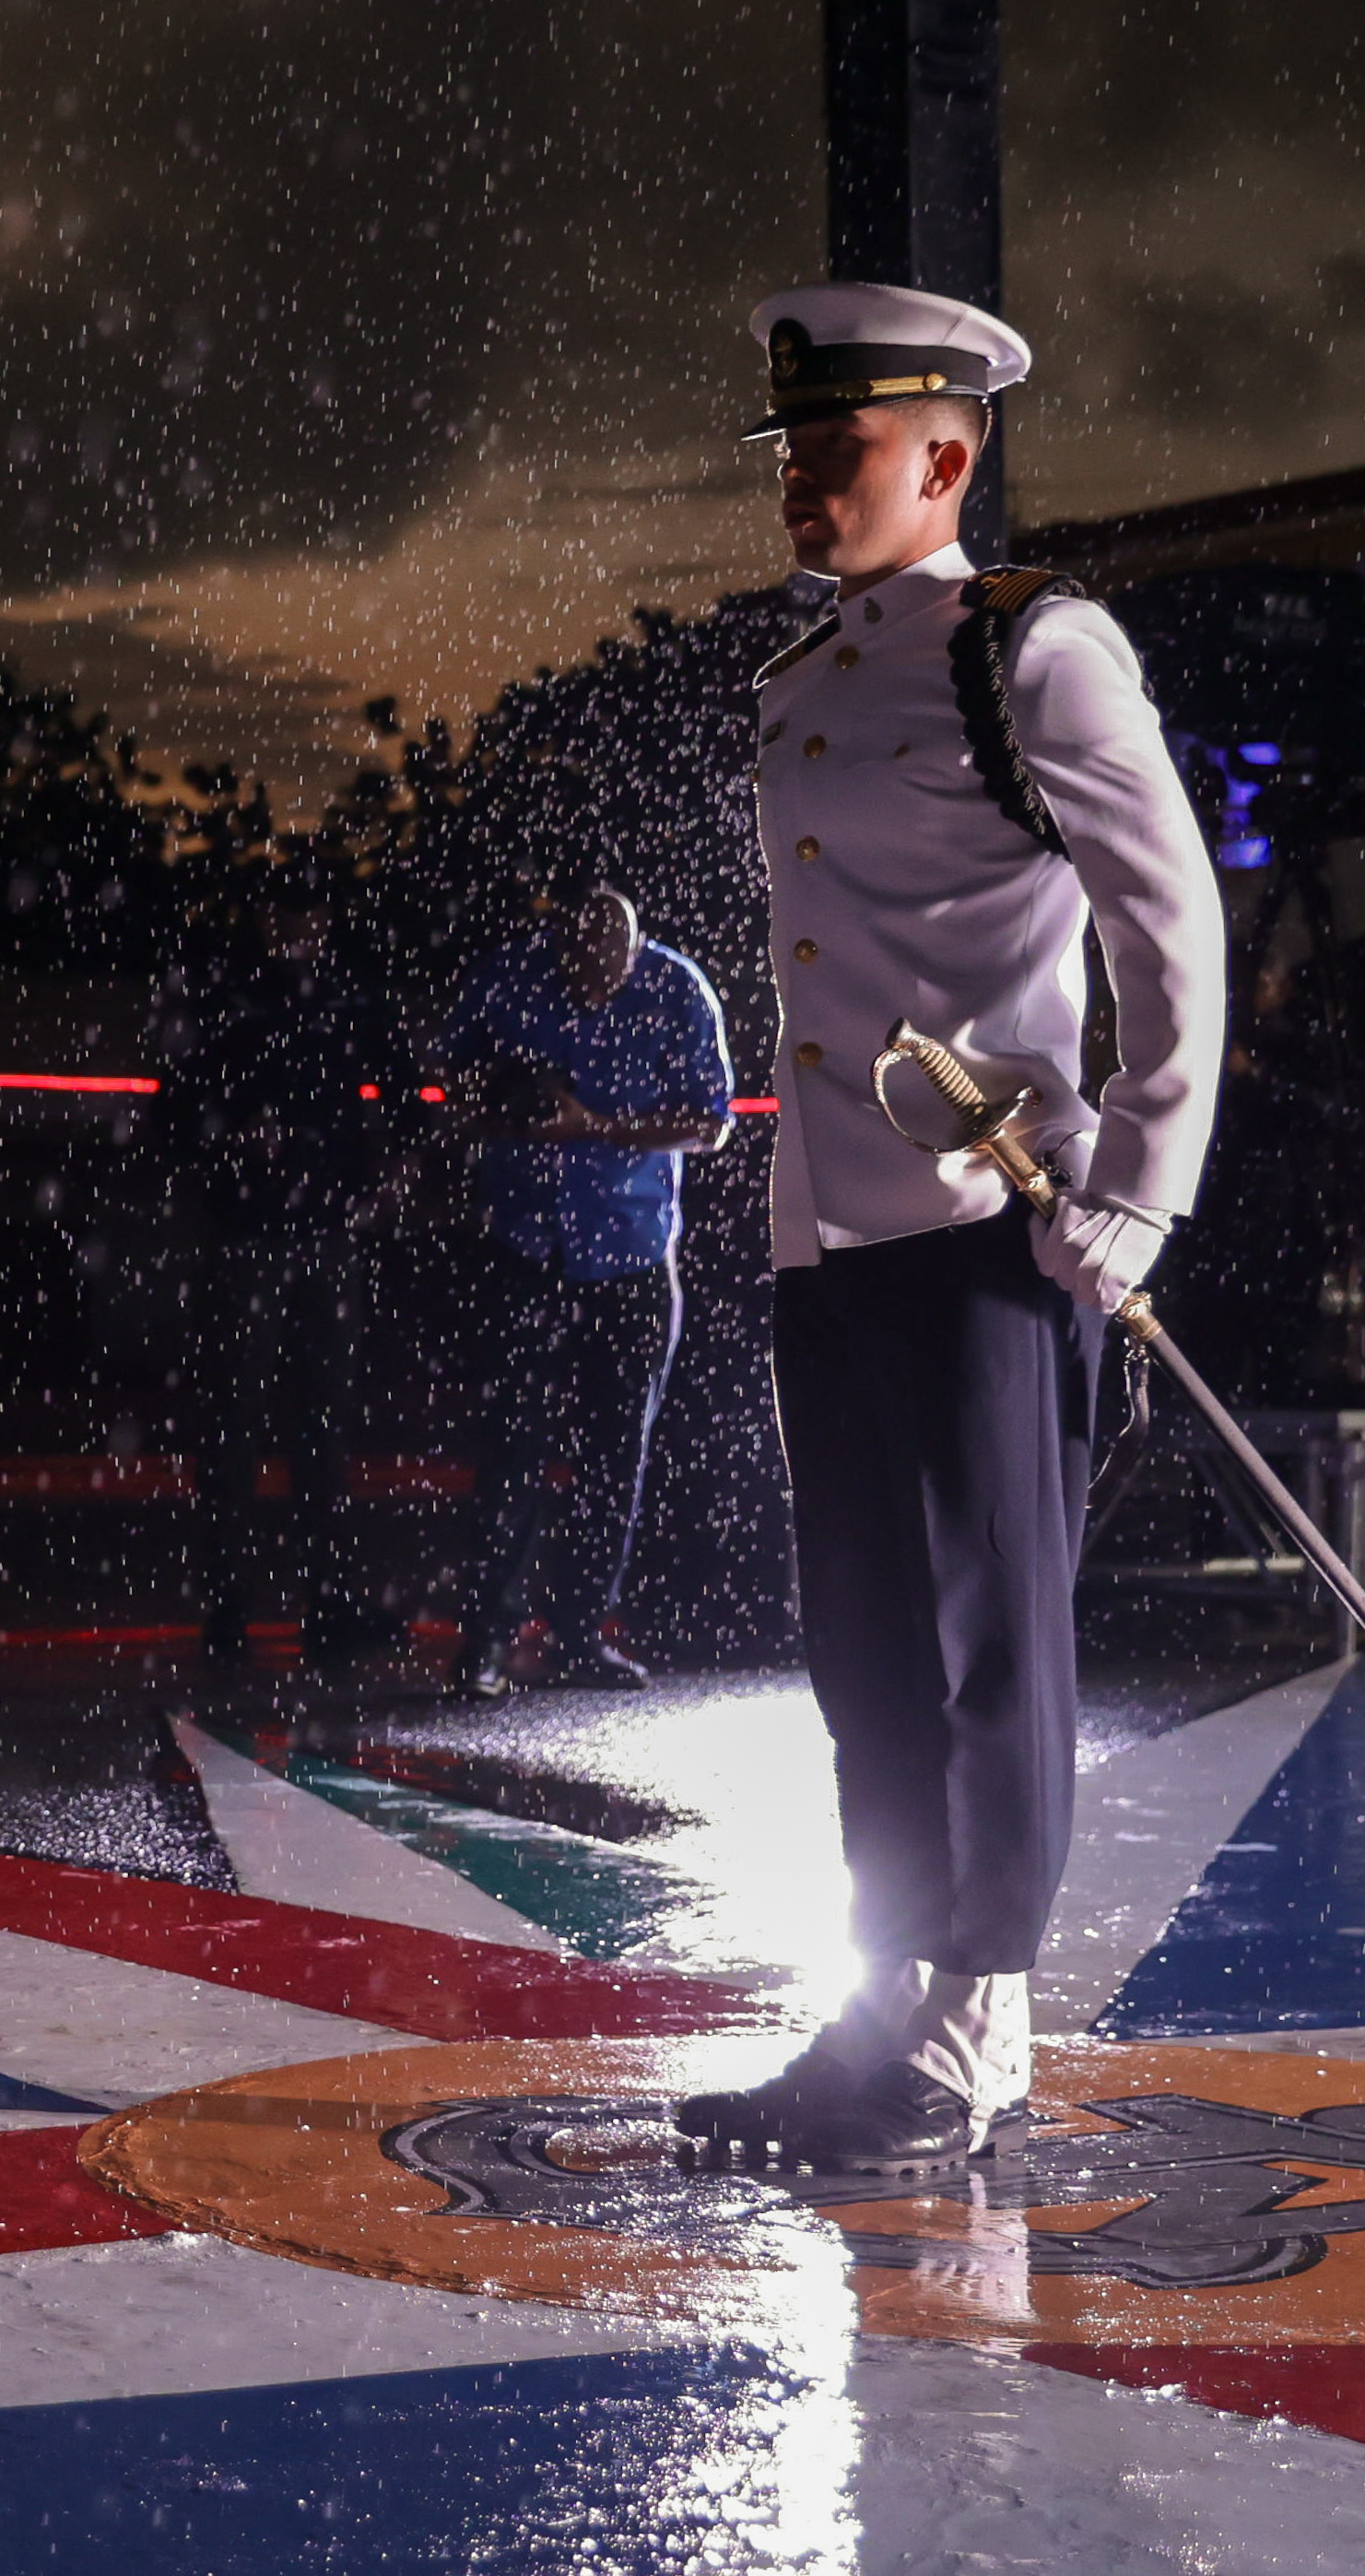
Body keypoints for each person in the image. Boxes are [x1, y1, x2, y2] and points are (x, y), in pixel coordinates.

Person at [681, 282, 1224, 2176]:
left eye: (831, 446)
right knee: (862, 1646)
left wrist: (1140, 1181)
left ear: (944, 456)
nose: (795, 477)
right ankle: (877, 2009)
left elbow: (1169, 920)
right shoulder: (803, 678)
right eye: (787, 446)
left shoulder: (1035, 652)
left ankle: (974, 2035)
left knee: (986, 1642)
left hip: (996, 1226)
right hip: (826, 1228)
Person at [440, 881, 733, 1696]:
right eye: (577, 966)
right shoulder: (508, 976)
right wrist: (495, 1103)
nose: (593, 983)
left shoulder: (678, 988)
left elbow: (711, 1123)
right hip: (522, 1243)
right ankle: (486, 1640)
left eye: (609, 969)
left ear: (636, 952)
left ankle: (578, 1634)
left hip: (630, 1250)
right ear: (557, 946)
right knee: (509, 1448)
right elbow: (447, 1078)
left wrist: (595, 1127)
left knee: (614, 1453)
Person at [143, 880, 406, 1668]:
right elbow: (174, 1110)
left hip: (314, 1226)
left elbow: (399, 1088)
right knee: (245, 1425)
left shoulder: (336, 993)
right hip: (254, 1229)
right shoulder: (234, 994)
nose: (301, 931)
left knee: (307, 1425)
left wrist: (390, 1172)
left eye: (311, 917)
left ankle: (312, 1604)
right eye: (292, 918)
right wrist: (232, 1138)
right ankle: (240, 1608)